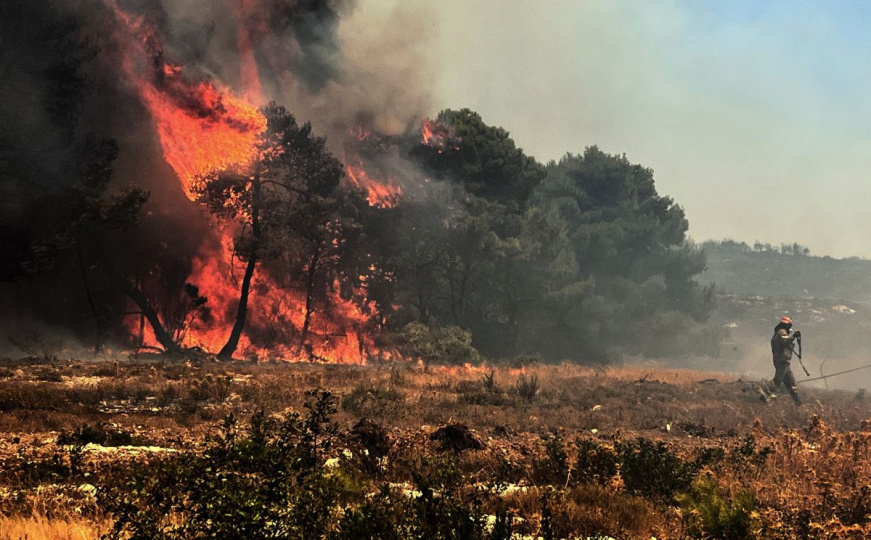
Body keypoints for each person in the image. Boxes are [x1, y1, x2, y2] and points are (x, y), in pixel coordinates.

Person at [769, 316, 802, 405]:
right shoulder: (781, 332)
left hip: (784, 362)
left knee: (791, 382)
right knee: (777, 380)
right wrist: (793, 336)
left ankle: (797, 400)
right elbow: (785, 342)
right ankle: (766, 395)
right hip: (782, 361)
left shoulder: (778, 333)